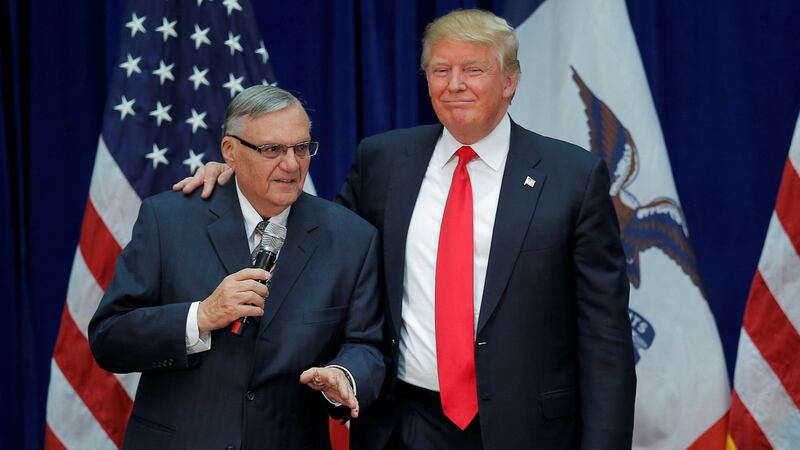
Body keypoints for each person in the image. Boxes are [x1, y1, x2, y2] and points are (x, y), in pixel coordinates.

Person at [175, 9, 635, 450]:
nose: (454, 84)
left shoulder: (572, 176)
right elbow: (315, 241)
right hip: (401, 426)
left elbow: (606, 341)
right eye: (440, 70)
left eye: (472, 70)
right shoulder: (383, 160)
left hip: (529, 431)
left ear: (510, 81)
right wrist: (241, 175)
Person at [90, 85, 385, 450]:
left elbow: (368, 344)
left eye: (302, 147)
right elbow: (109, 338)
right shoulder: (168, 220)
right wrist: (200, 316)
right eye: (272, 149)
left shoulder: (351, 238)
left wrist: (344, 374)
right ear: (230, 151)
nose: (292, 164)